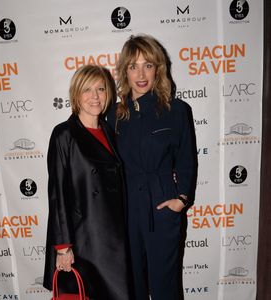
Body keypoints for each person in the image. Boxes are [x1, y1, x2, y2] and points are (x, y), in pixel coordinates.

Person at [107, 34, 197, 300]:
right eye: (133, 66)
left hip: (163, 205)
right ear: (125, 71)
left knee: (165, 288)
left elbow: (187, 159)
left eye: (148, 65)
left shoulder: (177, 110)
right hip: (125, 211)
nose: (141, 73)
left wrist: (181, 199)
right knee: (130, 285)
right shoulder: (113, 114)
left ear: (158, 68)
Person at [43, 65, 134, 300]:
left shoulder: (109, 131)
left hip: (115, 238)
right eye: (87, 90)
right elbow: (58, 194)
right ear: (76, 95)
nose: (95, 96)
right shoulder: (64, 135)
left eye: (101, 89)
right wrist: (63, 247)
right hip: (84, 240)